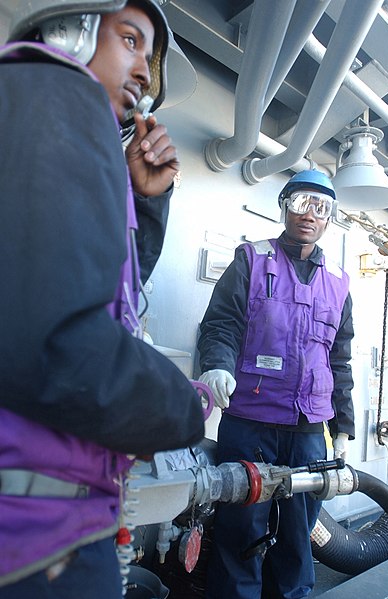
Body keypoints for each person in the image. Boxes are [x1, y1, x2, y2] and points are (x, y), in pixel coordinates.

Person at [0, 1, 204, 597]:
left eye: (151, 55)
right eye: (130, 40)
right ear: (69, 30)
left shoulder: (41, 118)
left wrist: (146, 202)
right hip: (36, 539)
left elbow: (103, 293)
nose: (145, 71)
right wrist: (182, 407)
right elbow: (52, 340)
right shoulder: (54, 92)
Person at [198, 169, 355, 599]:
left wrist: (344, 427)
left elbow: (339, 358)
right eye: (302, 202)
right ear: (285, 205)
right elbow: (221, 325)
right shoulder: (251, 259)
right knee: (241, 530)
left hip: (308, 432)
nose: (310, 214)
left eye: (321, 207)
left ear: (329, 218)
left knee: (298, 534)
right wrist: (217, 365)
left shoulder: (340, 282)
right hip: (250, 422)